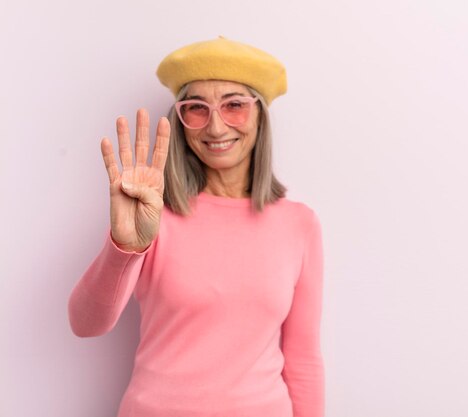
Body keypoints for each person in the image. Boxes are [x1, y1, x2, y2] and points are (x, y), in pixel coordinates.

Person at [68, 36, 325, 417]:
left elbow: (303, 362)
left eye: (234, 105)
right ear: (181, 121)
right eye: (197, 108)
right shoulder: (154, 215)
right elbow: (85, 324)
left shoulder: (299, 224)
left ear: (260, 116)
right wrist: (123, 247)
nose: (216, 127)